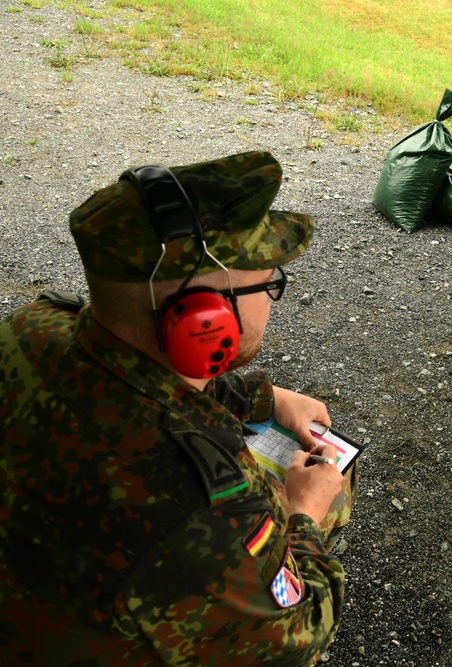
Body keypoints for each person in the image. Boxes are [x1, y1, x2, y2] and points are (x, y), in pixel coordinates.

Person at [0, 151, 357, 665]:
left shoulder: (29, 327)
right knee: (331, 489)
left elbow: (125, 369)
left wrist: (267, 397)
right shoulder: (204, 512)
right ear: (203, 318)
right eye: (267, 284)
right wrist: (305, 514)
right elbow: (300, 636)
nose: (271, 300)